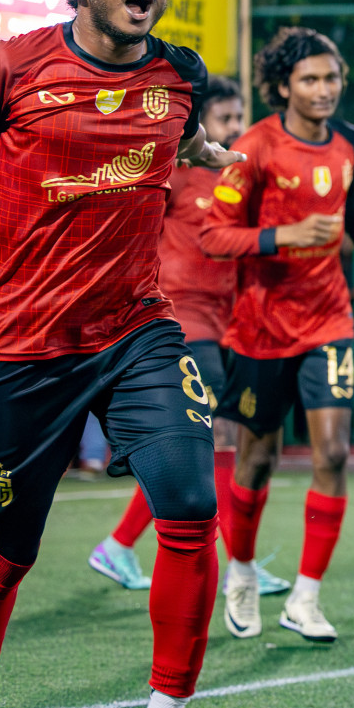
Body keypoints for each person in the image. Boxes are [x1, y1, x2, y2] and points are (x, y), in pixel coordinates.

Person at [0, 0, 242, 708]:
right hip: (21, 345)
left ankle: (168, 706)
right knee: (8, 550)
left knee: (191, 505)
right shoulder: (9, 69)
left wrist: (195, 151)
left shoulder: (180, 75)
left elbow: (173, 135)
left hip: (137, 330)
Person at [200, 26, 354, 645]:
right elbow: (214, 237)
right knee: (259, 459)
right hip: (261, 329)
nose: (324, 89)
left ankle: (306, 597)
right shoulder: (254, 147)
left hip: (329, 319)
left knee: (333, 452)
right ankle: (243, 571)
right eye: (310, 79)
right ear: (283, 87)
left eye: (332, 78)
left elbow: (351, 206)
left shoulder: (349, 141)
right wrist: (281, 236)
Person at [87, 77, 292, 599]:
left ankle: (120, 544)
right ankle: (234, 566)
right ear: (200, 126)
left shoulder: (238, 179)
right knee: (220, 435)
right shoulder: (174, 172)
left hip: (227, 323)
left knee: (209, 441)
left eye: (239, 115)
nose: (235, 127)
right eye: (224, 118)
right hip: (180, 319)